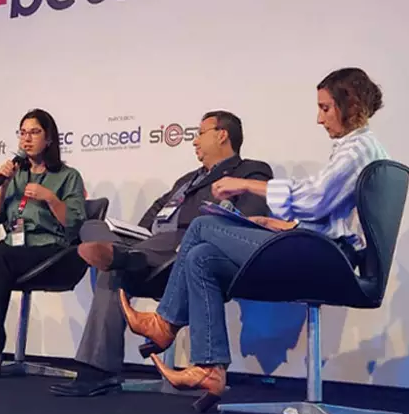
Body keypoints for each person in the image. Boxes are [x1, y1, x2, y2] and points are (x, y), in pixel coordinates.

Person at [119, 67, 389, 411]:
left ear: (348, 105)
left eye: (325, 108)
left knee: (202, 227)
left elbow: (315, 197)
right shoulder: (358, 147)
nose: (319, 119)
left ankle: (164, 322)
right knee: (201, 257)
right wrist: (284, 225)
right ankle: (209, 367)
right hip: (317, 246)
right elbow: (329, 211)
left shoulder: (357, 148)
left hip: (326, 258)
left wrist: (245, 184)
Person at [49, 111, 274, 397]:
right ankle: (123, 257)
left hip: (191, 248)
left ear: (222, 134)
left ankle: (98, 367)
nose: (194, 141)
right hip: (152, 246)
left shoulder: (250, 171)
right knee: (96, 230)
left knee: (120, 263)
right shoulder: (187, 179)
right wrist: (133, 234)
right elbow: (155, 212)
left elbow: (247, 222)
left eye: (200, 133)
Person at [0, 108, 87, 378]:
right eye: (23, 133)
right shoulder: (17, 173)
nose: (27, 139)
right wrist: (2, 186)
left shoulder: (67, 176)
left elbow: (74, 224)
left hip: (50, 250)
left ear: (49, 139)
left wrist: (50, 197)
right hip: (15, 245)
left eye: (34, 132)